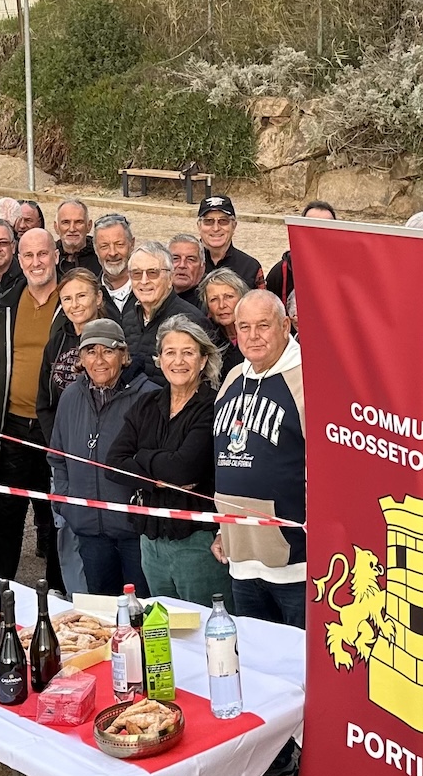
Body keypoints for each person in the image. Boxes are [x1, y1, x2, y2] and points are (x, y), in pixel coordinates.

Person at [213, 291, 308, 628]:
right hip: (240, 560)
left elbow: (329, 472)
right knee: (255, 655)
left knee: (296, 657)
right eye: (244, 327)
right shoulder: (233, 378)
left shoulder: (307, 380)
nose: (253, 336)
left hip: (295, 565)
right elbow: (223, 459)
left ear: (285, 326)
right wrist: (223, 528)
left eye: (263, 326)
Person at [117, 319, 226, 607]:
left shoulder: (213, 406)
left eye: (188, 353)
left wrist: (141, 457)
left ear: (203, 360)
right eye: (170, 352)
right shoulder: (146, 403)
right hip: (151, 542)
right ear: (160, 359)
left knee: (205, 626)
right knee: (165, 627)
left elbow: (183, 469)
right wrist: (159, 476)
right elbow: (114, 463)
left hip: (197, 544)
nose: (178, 361)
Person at [48, 318, 157, 596]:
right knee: (101, 611)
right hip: (89, 530)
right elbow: (57, 457)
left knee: (141, 609)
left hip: (135, 531)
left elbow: (157, 464)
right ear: (81, 358)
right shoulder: (70, 397)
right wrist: (67, 503)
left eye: (108, 351)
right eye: (90, 351)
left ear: (124, 355)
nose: (99, 360)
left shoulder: (150, 397)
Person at [0, 227, 62, 583]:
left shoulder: (71, 301)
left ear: (55, 256)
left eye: (43, 253)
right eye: (28, 255)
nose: (36, 262)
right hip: (14, 422)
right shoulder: (7, 304)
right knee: (6, 511)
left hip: (55, 426)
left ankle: (59, 590)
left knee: (58, 511)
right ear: (19, 260)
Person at [38, 267, 111, 593]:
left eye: (81, 296)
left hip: (104, 458)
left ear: (98, 297)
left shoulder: (114, 337)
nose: (75, 304)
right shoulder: (57, 342)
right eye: (67, 298)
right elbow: (45, 403)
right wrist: (60, 447)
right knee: (66, 528)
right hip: (66, 457)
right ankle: (74, 598)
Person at [121, 242, 213, 382]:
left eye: (153, 273)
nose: (144, 281)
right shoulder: (128, 317)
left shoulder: (192, 320)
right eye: (137, 274)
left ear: (170, 278)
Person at [261, 200, 337, 319]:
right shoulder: (281, 272)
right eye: (311, 226)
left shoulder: (347, 273)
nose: (318, 232)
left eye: (326, 226)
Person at [196, 194, 265, 287]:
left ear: (234, 225)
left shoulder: (250, 267)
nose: (216, 228)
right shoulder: (182, 263)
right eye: (209, 221)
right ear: (199, 226)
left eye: (223, 221)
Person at [93, 211, 136, 310]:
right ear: (96, 249)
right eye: (104, 246)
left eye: (119, 244)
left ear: (132, 244)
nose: (112, 253)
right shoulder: (92, 293)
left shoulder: (147, 287)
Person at [200, 267, 245, 351]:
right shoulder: (206, 339)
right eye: (214, 299)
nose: (221, 305)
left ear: (242, 299)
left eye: (229, 296)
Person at [55, 198, 101, 278]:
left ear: (89, 226)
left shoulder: (101, 256)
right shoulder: (48, 257)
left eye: (78, 222)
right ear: (56, 227)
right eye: (66, 222)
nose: (72, 229)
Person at [167, 233, 208, 307]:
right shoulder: (152, 296)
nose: (182, 265)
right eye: (175, 258)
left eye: (190, 259)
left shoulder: (208, 303)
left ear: (202, 268)